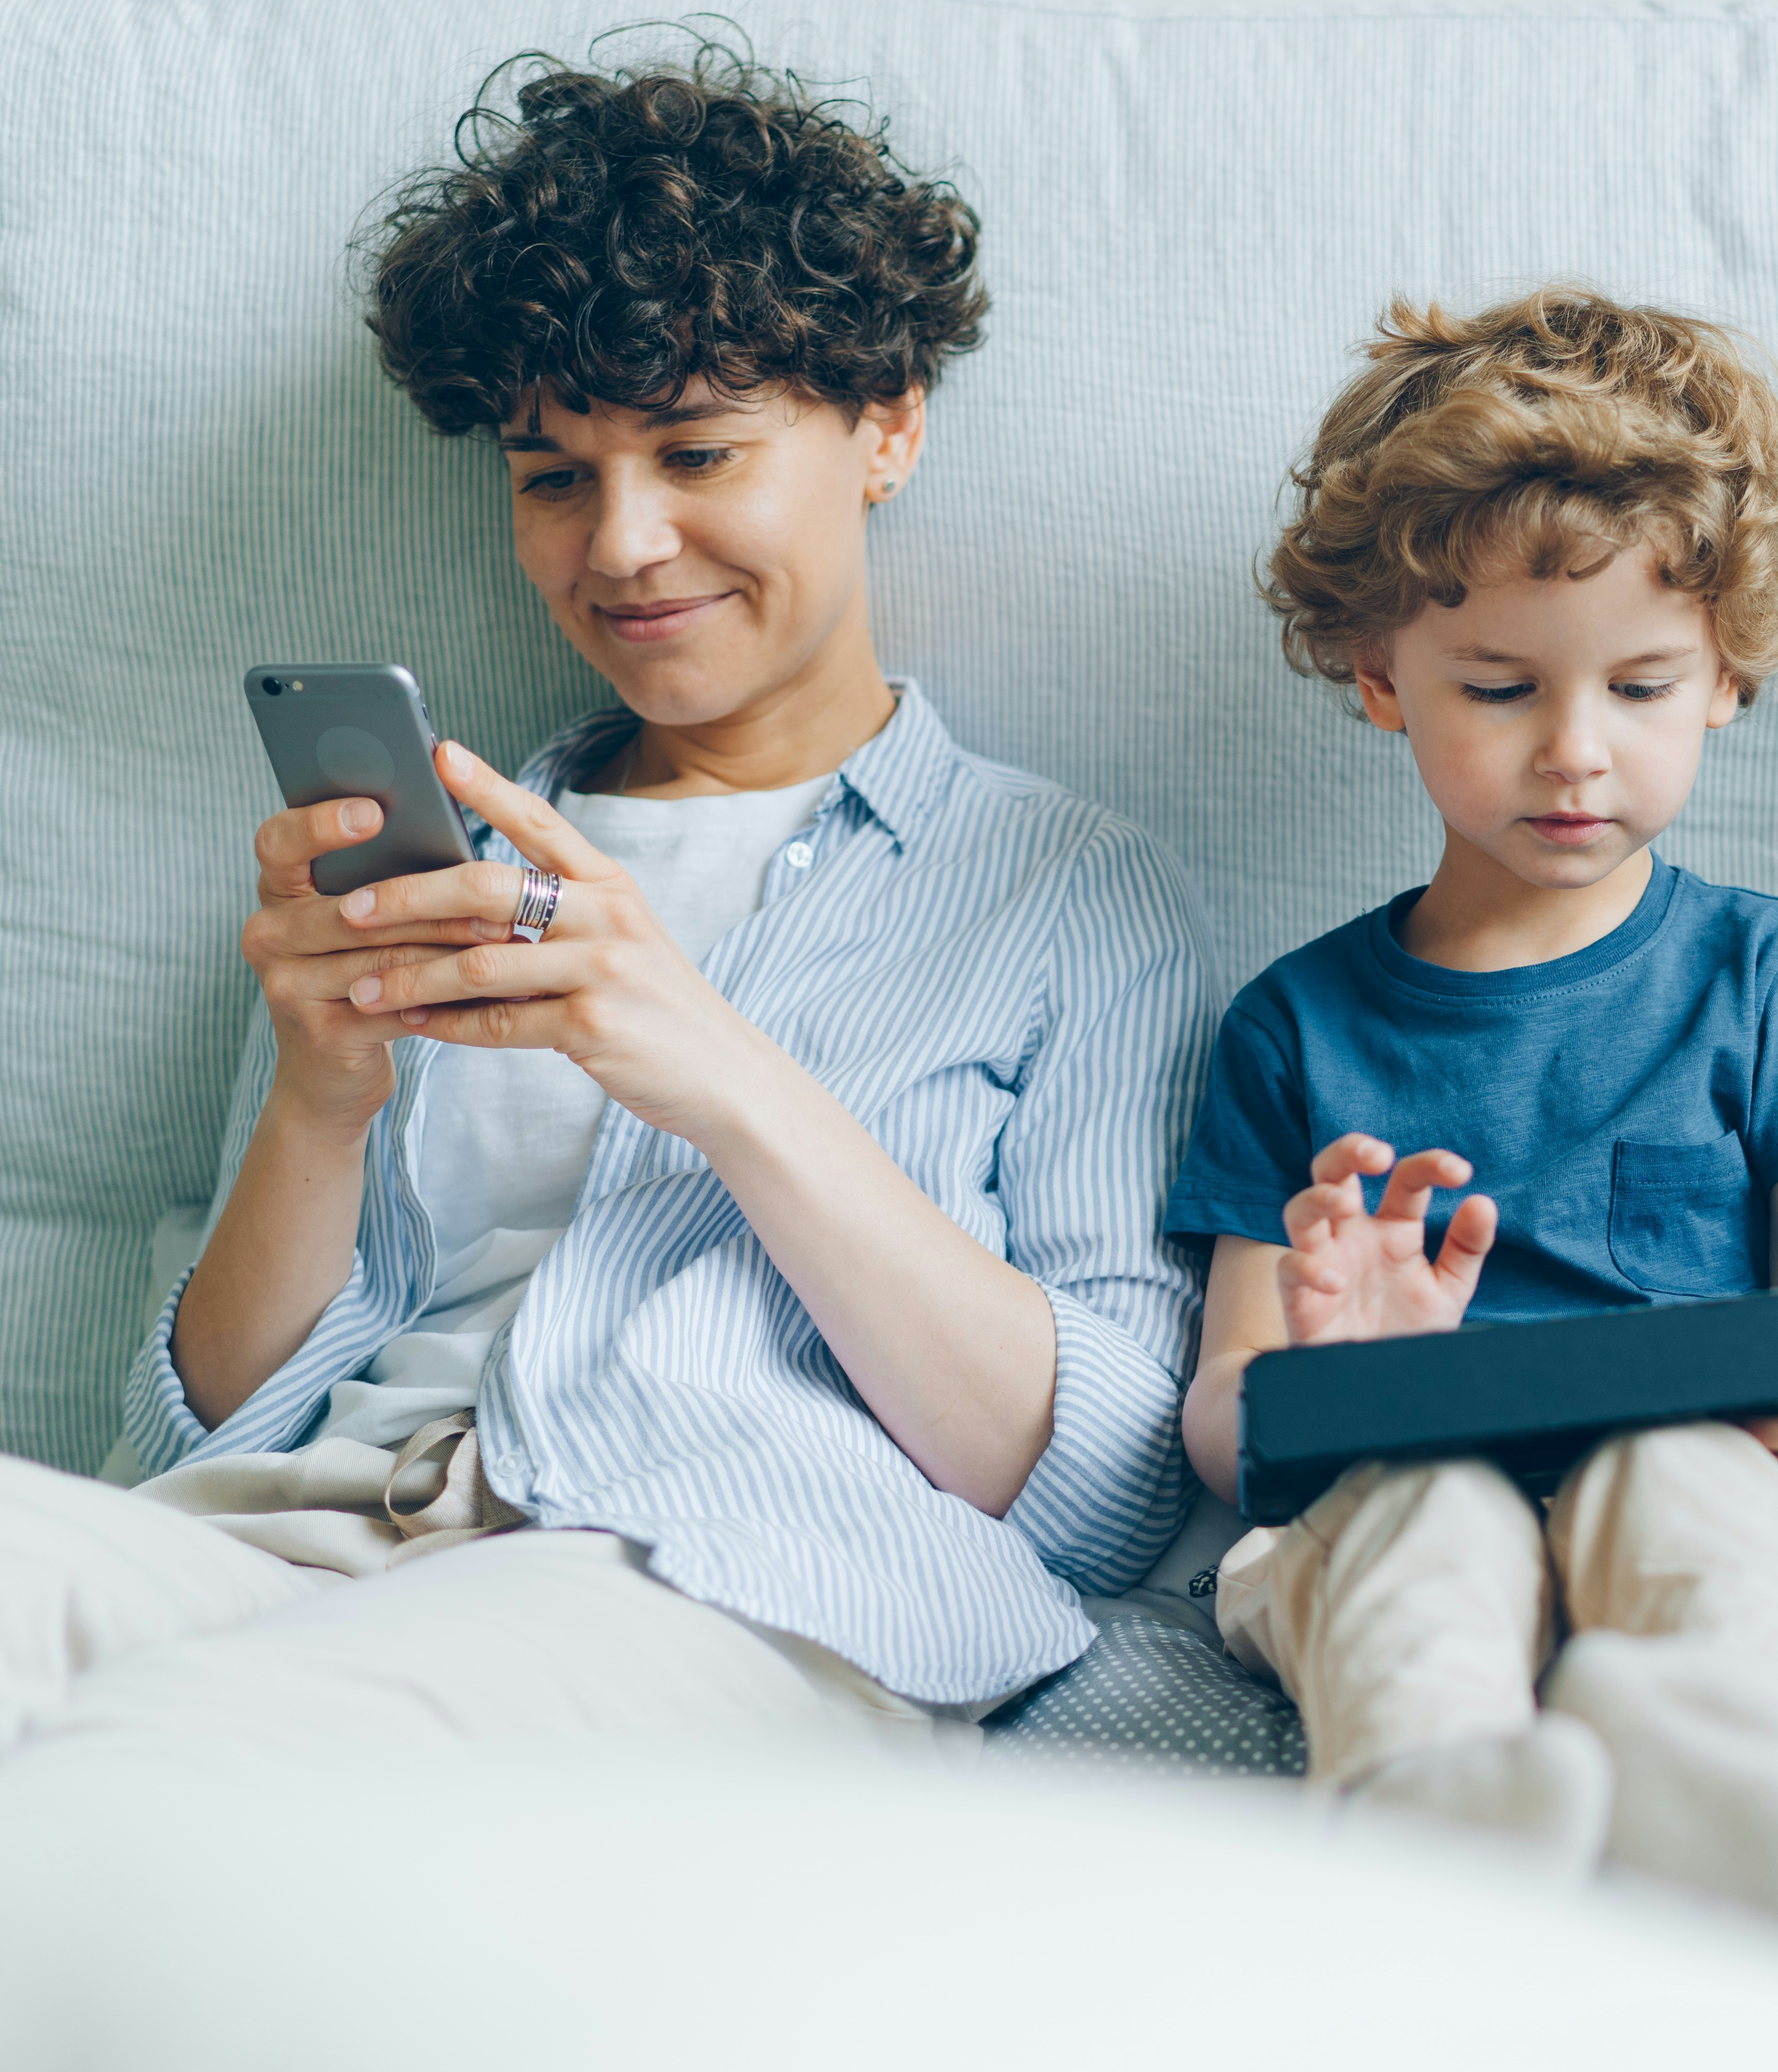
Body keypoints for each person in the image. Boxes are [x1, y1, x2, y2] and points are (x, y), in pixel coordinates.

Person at [0, 46, 1215, 1753]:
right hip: (305, 1534)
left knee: (227, 1744)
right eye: (554, 475)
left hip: (710, 1572)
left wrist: (717, 1071)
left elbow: (1099, 1498)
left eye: (700, 454)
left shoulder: (1067, 898)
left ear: (889, 428)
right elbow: (204, 1426)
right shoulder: (444, 857)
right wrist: (320, 1101)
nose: (624, 546)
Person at [1165, 288, 1778, 1931]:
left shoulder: (1777, 977)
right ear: (1383, 678)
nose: (1575, 755)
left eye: (1642, 689)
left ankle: (1753, 1809)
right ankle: (1439, 1845)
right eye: (1502, 691)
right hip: (1378, 1499)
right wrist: (1327, 1373)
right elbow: (1228, 1430)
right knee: (1427, 1514)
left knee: (1681, 1478)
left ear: (1726, 678)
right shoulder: (1295, 1025)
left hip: (1706, 1497)